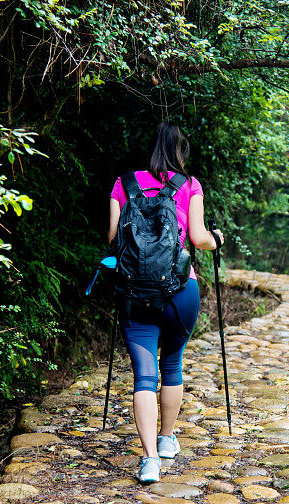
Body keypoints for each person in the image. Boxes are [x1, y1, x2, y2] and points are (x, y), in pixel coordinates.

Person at [107, 121, 223, 484]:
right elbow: (198, 237)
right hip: (179, 292)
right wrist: (217, 239)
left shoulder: (123, 184)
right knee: (171, 365)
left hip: (133, 294)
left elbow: (113, 239)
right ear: (180, 151)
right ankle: (168, 438)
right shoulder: (189, 185)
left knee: (144, 375)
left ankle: (150, 461)